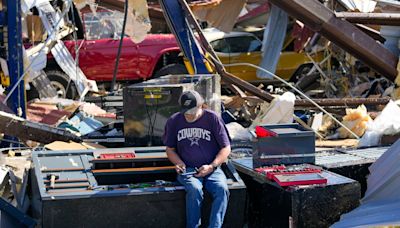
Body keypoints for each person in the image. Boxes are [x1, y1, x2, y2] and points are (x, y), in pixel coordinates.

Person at [163, 90, 231, 228]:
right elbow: (170, 150)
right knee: (194, 189)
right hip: (188, 169)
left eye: (192, 111)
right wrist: (179, 163)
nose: (188, 114)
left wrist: (212, 165)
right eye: (186, 111)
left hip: (212, 167)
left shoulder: (213, 118)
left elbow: (226, 148)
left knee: (222, 189)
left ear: (201, 105)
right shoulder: (174, 120)